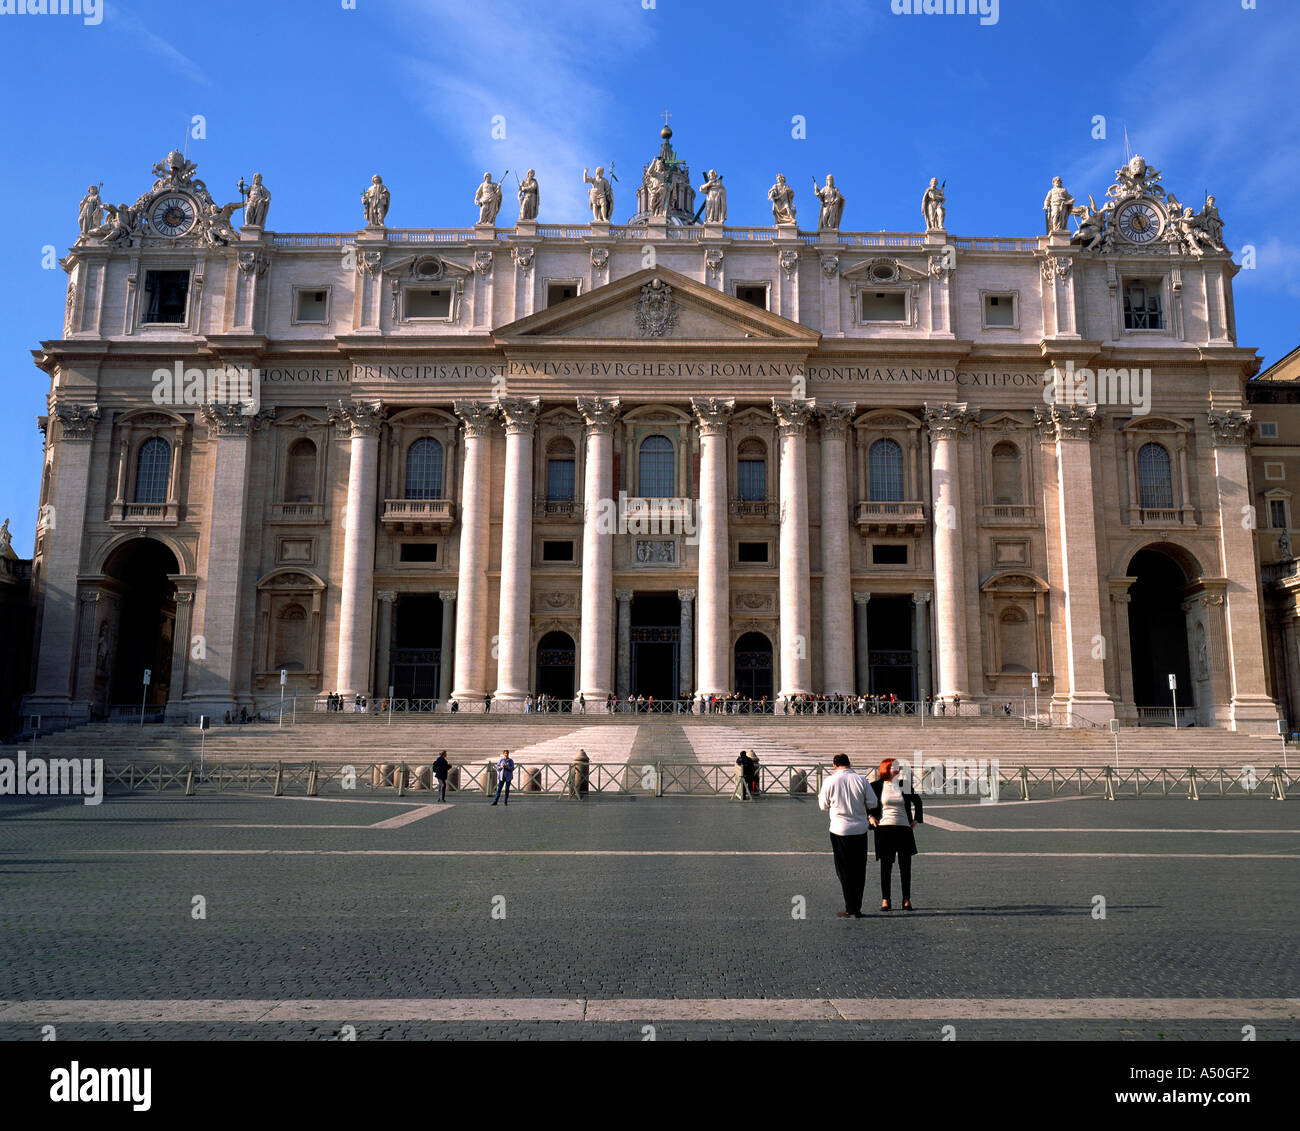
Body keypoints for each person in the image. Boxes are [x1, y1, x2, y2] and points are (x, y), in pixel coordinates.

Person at [817, 754, 878, 919]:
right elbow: (873, 803)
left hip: (839, 830)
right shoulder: (861, 779)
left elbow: (823, 805)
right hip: (859, 830)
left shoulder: (829, 781)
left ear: (834, 765)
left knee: (843, 870)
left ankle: (849, 907)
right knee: (859, 869)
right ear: (849, 763)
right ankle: (857, 908)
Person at [869, 757, 923, 912]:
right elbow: (865, 803)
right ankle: (886, 899)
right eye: (894, 767)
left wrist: (916, 820)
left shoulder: (904, 785)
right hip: (884, 829)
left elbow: (917, 801)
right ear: (886, 768)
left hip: (903, 828)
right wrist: (870, 817)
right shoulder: (876, 786)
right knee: (886, 867)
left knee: (905, 866)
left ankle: (906, 899)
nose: (897, 769)